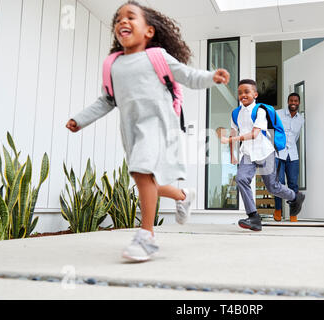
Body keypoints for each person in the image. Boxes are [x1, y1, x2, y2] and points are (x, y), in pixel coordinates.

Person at [65, 1, 230, 262]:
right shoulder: (113, 65)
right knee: (145, 180)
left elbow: (188, 76)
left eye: (131, 17)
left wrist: (212, 77)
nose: (122, 22)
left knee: (142, 172)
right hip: (132, 131)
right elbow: (108, 100)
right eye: (118, 19)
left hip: (160, 125)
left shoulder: (158, 57)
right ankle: (183, 196)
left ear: (149, 31)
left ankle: (147, 237)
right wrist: (80, 119)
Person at [219, 79, 304, 232]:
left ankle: (294, 197)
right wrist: (232, 154)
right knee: (241, 179)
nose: (243, 95)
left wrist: (231, 139)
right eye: (240, 92)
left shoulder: (260, 110)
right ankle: (253, 217)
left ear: (255, 94)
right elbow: (233, 132)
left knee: (273, 187)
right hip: (248, 154)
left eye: (246, 92)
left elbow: (254, 134)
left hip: (265, 152)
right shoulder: (235, 113)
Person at [274, 93, 305, 222]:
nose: (293, 102)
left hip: (293, 155)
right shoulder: (278, 114)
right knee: (278, 183)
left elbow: (296, 137)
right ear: (288, 102)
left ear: (299, 103)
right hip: (278, 154)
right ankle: (278, 210)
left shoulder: (301, 119)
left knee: (293, 184)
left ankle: (293, 214)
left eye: (296, 101)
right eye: (291, 100)